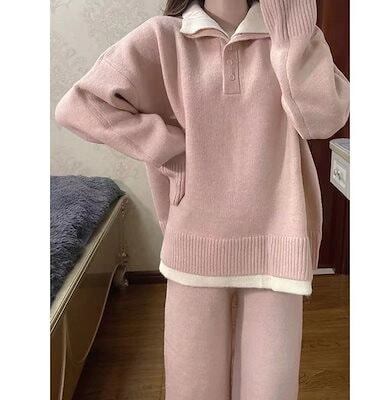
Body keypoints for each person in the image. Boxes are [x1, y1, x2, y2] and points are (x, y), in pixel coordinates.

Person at [55, 0, 350, 398]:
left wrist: (294, 36)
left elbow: (323, 122)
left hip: (277, 238)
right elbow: (79, 107)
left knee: (270, 390)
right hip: (195, 238)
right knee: (193, 388)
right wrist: (168, 146)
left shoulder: (292, 37)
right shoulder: (164, 37)